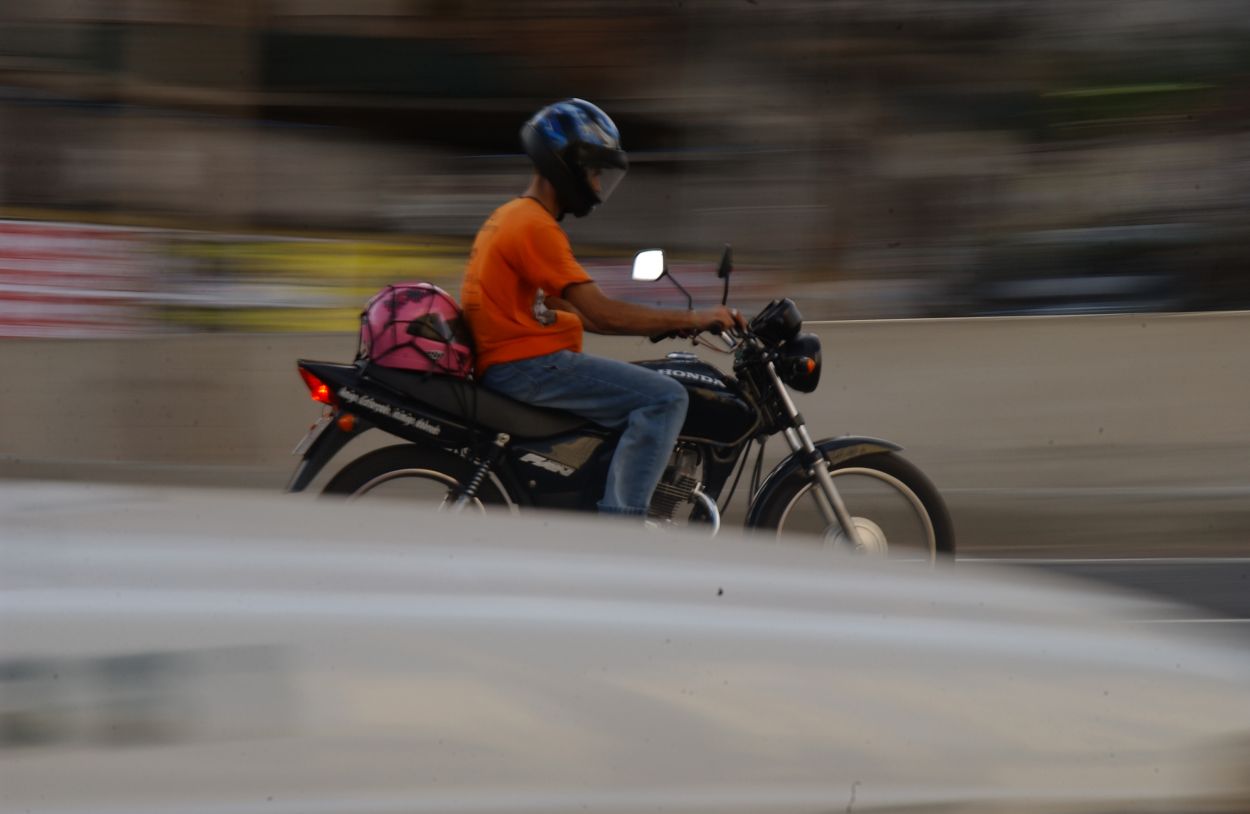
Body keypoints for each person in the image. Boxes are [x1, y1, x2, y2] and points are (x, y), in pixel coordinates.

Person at [460, 98, 742, 519]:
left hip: (516, 361)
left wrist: (668, 322)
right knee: (664, 398)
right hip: (526, 367)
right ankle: (620, 527)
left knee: (639, 391)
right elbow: (603, 312)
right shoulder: (535, 226)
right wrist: (694, 317)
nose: (596, 185)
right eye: (594, 171)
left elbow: (587, 316)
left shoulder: (513, 216)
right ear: (567, 164)